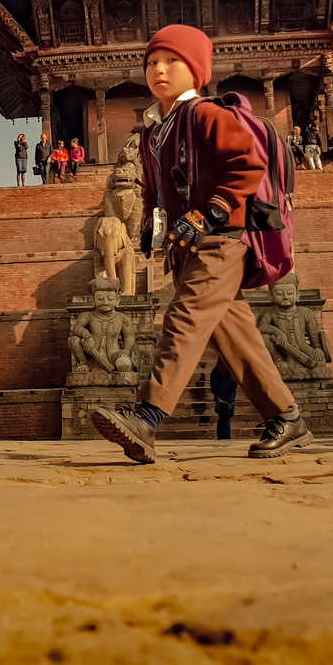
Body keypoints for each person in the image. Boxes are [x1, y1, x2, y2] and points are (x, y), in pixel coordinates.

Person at [89, 24, 312, 463]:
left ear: (197, 70)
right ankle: (288, 417)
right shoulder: (152, 132)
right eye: (152, 62)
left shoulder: (207, 114)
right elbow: (154, 191)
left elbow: (249, 166)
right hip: (186, 245)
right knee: (236, 334)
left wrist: (211, 209)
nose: (159, 70)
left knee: (185, 318)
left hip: (223, 238)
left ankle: (147, 417)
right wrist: (153, 231)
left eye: (172, 61)